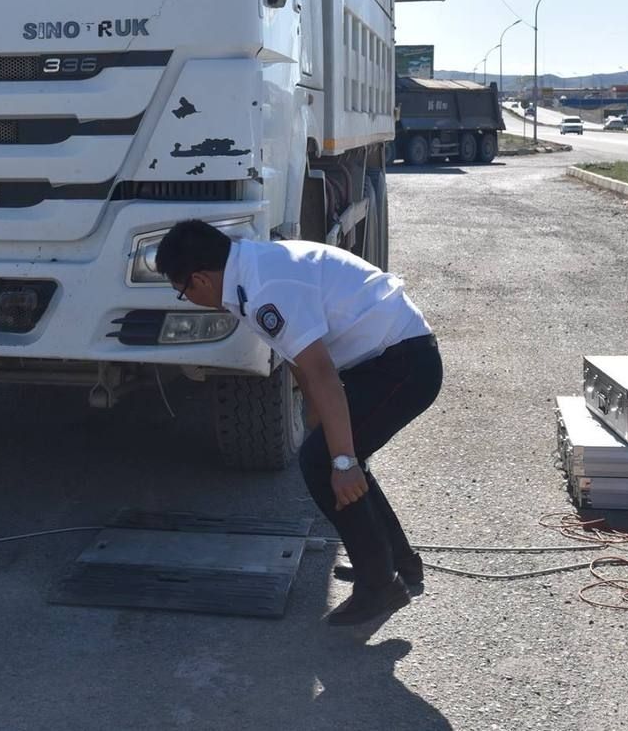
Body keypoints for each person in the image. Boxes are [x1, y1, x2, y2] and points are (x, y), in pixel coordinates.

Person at [154, 219, 442, 628]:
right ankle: (396, 562)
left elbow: (323, 372)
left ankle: (379, 584)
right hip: (384, 359)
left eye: (183, 292)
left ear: (200, 278)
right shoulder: (249, 272)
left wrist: (341, 461)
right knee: (333, 454)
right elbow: (300, 356)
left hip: (406, 364)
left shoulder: (263, 289)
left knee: (327, 463)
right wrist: (316, 416)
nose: (188, 299)